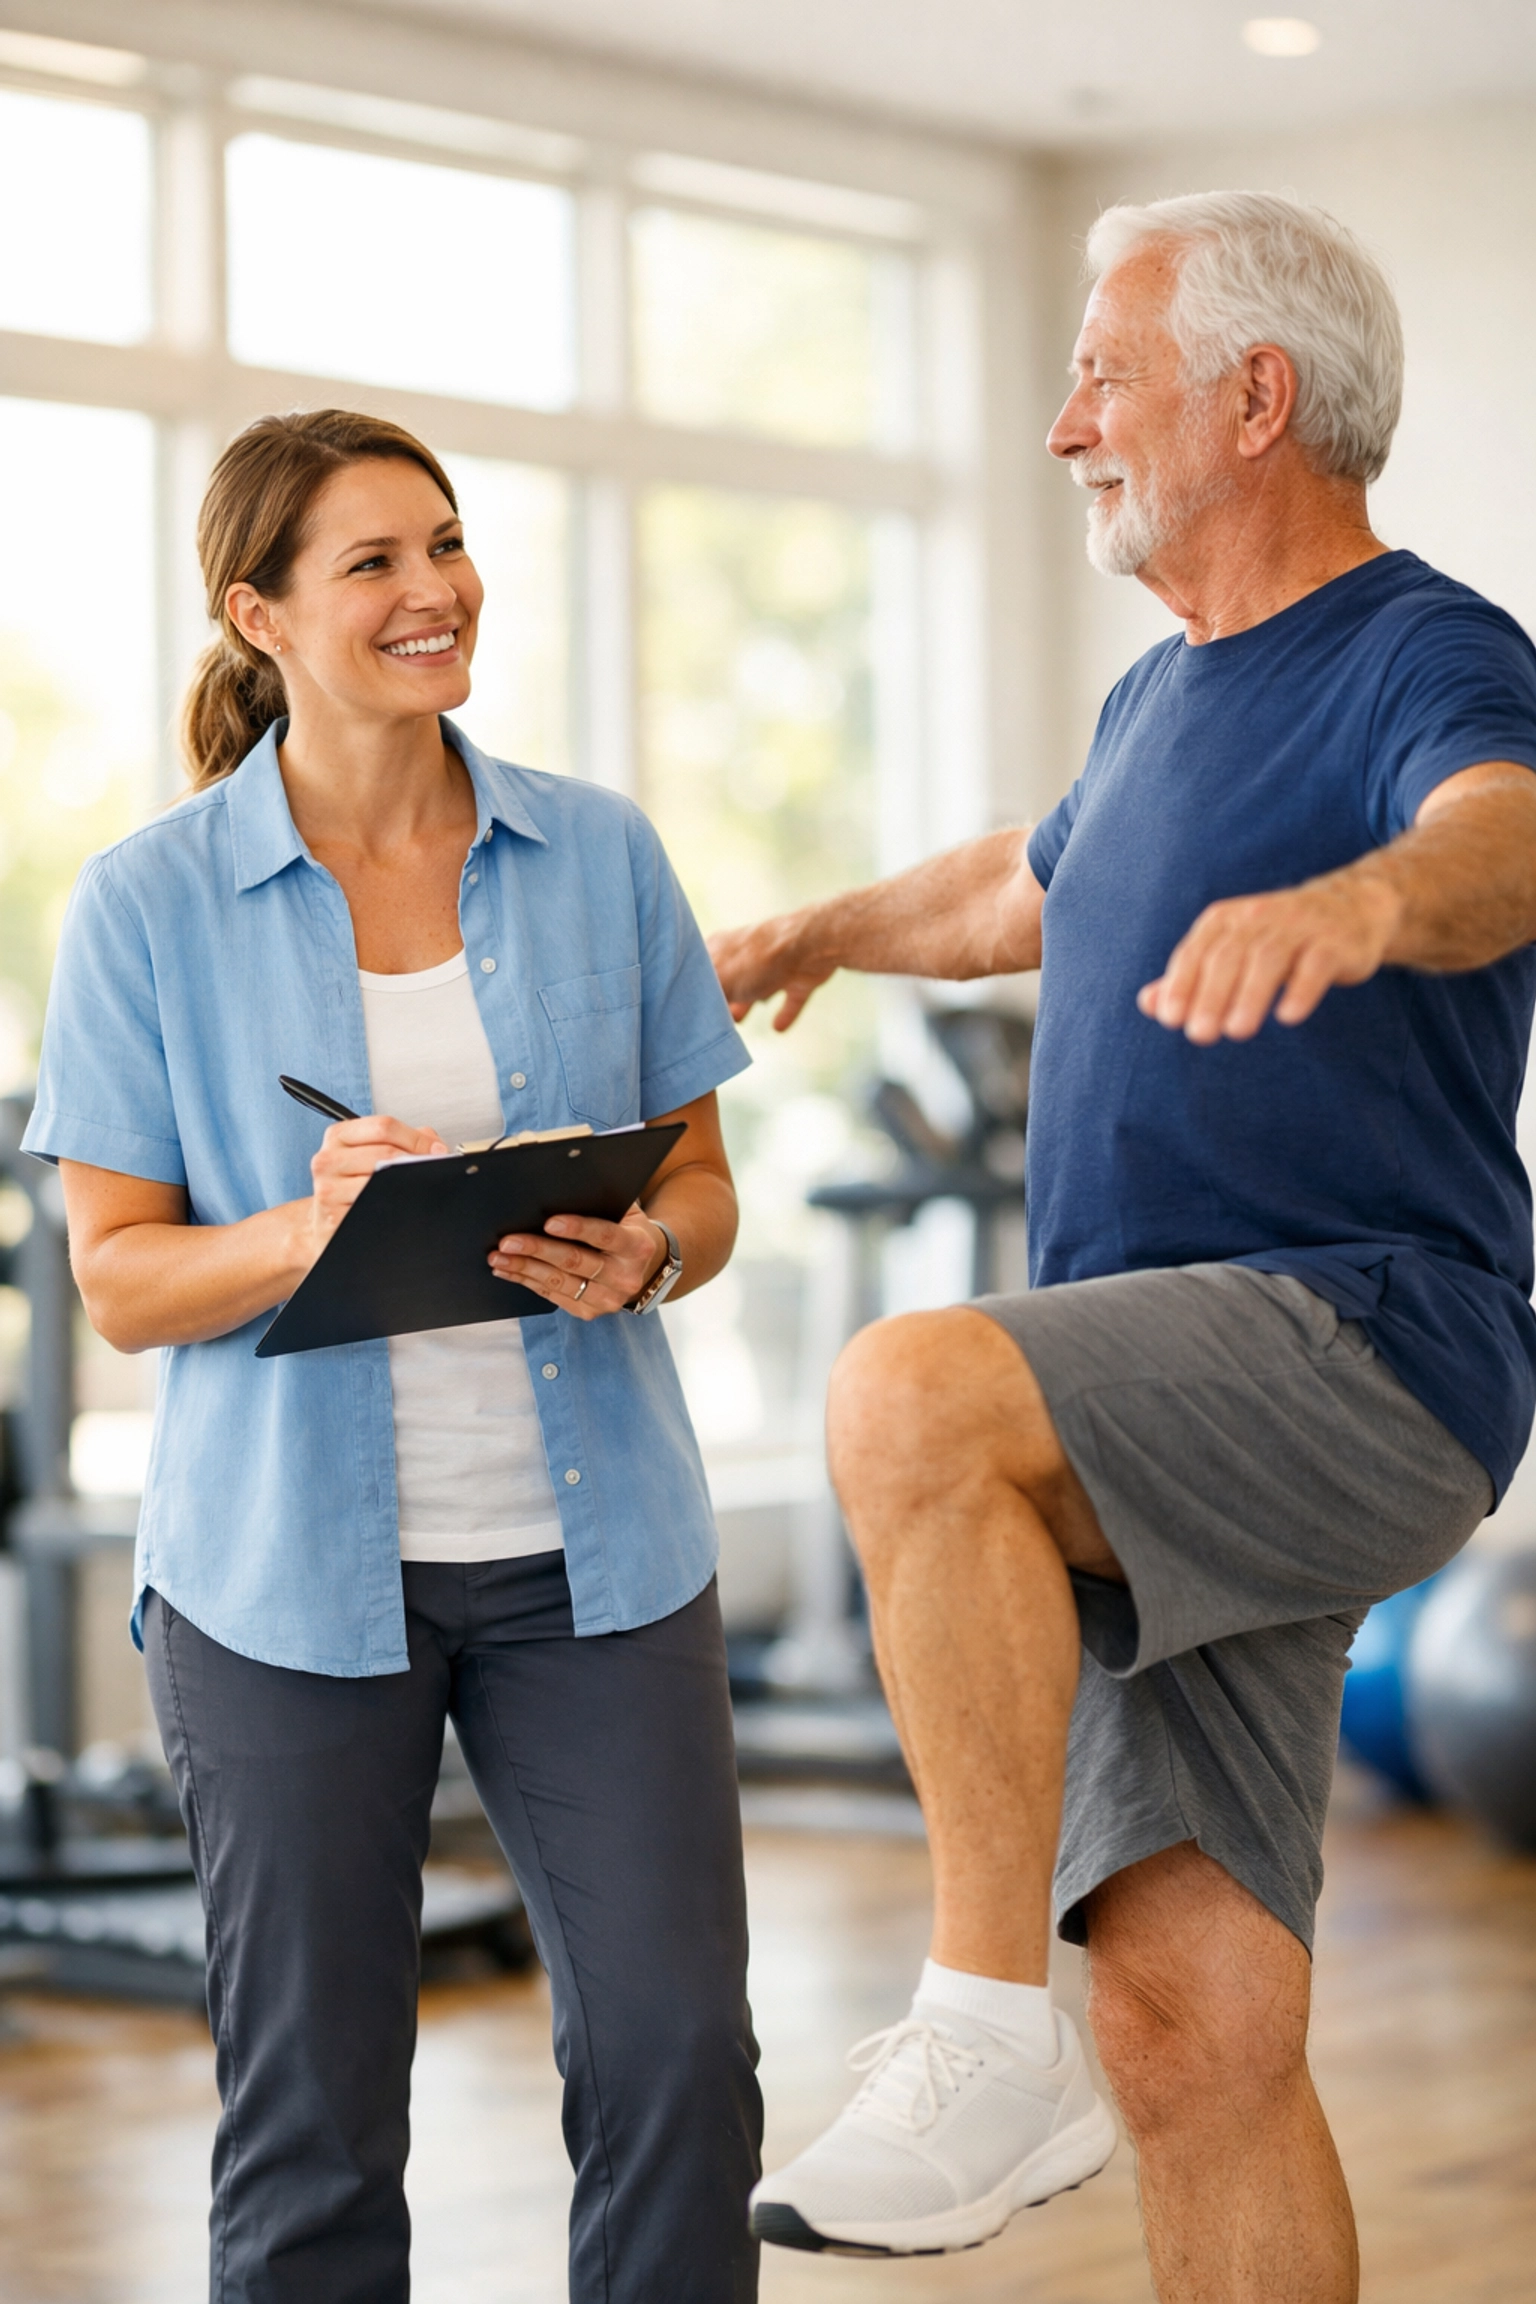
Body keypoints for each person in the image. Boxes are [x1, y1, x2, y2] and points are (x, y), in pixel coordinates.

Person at [711, 192, 1536, 2299]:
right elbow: (1023, 885)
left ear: (1255, 401)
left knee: (908, 1388)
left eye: (1107, 374)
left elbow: (1506, 835)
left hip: (1362, 1343)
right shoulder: (1162, 702)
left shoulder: (1422, 647)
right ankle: (1067, 2047)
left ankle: (983, 2029)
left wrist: (1367, 904)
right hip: (1166, 1411)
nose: (1068, 421)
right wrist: (824, 929)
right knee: (1199, 2037)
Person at [24, 409, 762, 2304]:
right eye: (372, 563)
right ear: (255, 612)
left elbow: (703, 1180)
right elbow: (120, 1280)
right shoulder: (148, 904)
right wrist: (305, 1228)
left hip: (598, 1567)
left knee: (682, 2059)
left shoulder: (598, 853)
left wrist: (654, 1246)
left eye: (444, 543)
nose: (434, 591)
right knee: (318, 2119)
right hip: (282, 1586)